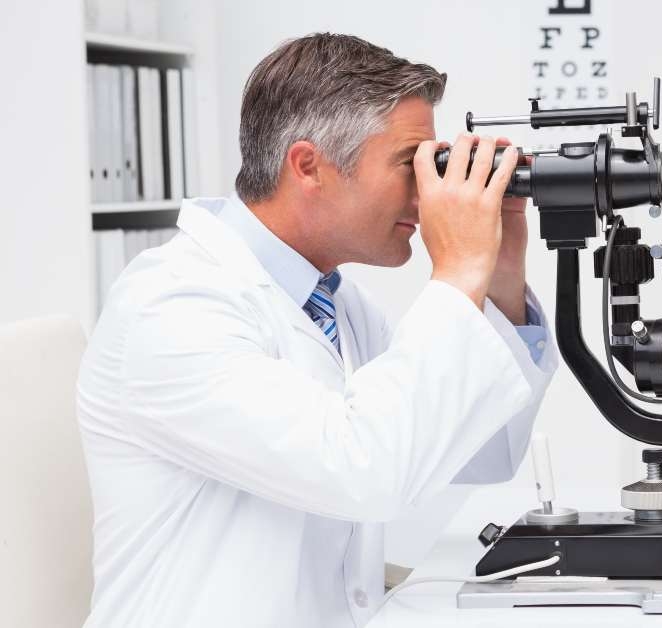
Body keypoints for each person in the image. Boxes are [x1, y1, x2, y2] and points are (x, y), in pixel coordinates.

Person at [76, 33, 557, 627]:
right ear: (309, 166)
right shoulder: (171, 306)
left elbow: (479, 450)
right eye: (412, 165)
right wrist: (457, 268)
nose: (428, 193)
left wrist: (499, 274)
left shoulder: (330, 301)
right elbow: (365, 471)